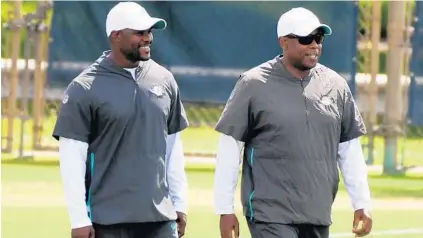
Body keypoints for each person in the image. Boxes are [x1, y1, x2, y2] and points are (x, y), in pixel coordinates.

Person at [213, 7, 373, 238]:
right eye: (306, 39)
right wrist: (225, 210)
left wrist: (362, 203)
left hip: (317, 211)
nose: (314, 45)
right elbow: (229, 149)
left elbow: (349, 150)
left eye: (319, 38)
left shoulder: (336, 86)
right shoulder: (253, 84)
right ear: (284, 42)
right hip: (269, 213)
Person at [52, 2, 189, 238]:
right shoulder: (83, 88)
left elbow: (172, 149)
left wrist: (180, 203)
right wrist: (78, 219)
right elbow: (72, 158)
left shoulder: (165, 80)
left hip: (160, 218)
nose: (148, 38)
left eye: (150, 32)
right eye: (139, 32)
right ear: (116, 36)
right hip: (107, 221)